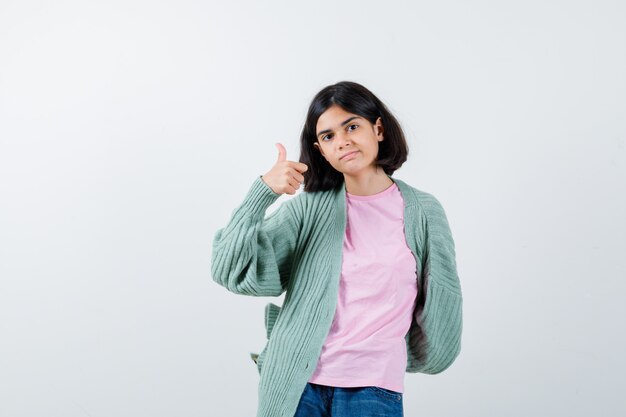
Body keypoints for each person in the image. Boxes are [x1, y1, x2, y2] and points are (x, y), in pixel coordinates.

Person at [211, 81, 463, 417]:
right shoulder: (309, 210)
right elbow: (230, 270)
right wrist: (262, 193)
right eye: (328, 136)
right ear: (320, 149)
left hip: (374, 388)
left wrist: (406, 356)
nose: (342, 141)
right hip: (296, 386)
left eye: (352, 126)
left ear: (378, 129)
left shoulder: (423, 211)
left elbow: (443, 300)